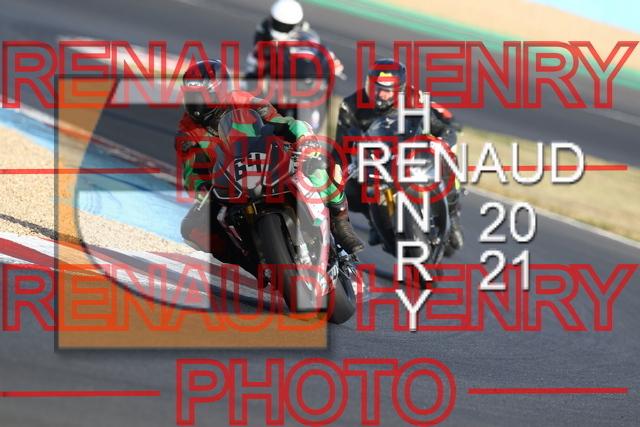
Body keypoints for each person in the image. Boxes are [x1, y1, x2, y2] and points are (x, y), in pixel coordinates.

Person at [176, 60, 364, 277]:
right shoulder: (186, 131)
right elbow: (192, 171)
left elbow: (283, 123)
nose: (196, 103)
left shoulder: (245, 102)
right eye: (191, 96)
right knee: (192, 228)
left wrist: (304, 138)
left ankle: (340, 221)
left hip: (271, 161)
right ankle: (250, 260)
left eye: (202, 96)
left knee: (317, 163)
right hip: (230, 184)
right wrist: (202, 191)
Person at [335, 58, 464, 251]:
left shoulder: (413, 100)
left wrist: (443, 141)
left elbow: (440, 128)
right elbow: (339, 149)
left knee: (447, 159)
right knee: (348, 191)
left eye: (387, 90)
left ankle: (452, 216)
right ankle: (374, 220)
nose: (381, 94)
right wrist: (342, 172)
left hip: (413, 156)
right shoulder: (350, 105)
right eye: (376, 88)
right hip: (375, 162)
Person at [245, 0, 343, 79]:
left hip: (294, 71)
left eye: (285, 26)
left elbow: (313, 46)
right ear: (272, 19)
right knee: (251, 79)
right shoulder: (263, 29)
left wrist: (331, 61)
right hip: (272, 67)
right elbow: (254, 54)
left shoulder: (302, 32)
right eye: (278, 24)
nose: (281, 28)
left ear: (295, 25)